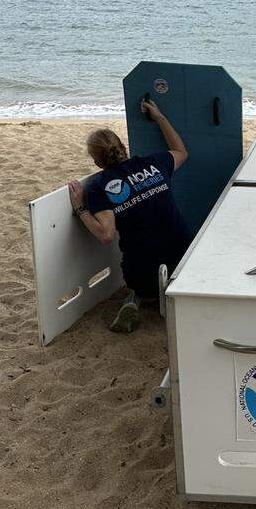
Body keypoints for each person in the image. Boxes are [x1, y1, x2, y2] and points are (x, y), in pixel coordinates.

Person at [66, 98, 193, 333]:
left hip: (143, 273)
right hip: (184, 262)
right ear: (122, 146)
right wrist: (159, 117)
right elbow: (181, 151)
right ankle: (161, 296)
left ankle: (139, 298)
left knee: (140, 278)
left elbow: (105, 234)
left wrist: (81, 208)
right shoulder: (154, 164)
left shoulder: (100, 185)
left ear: (96, 160)